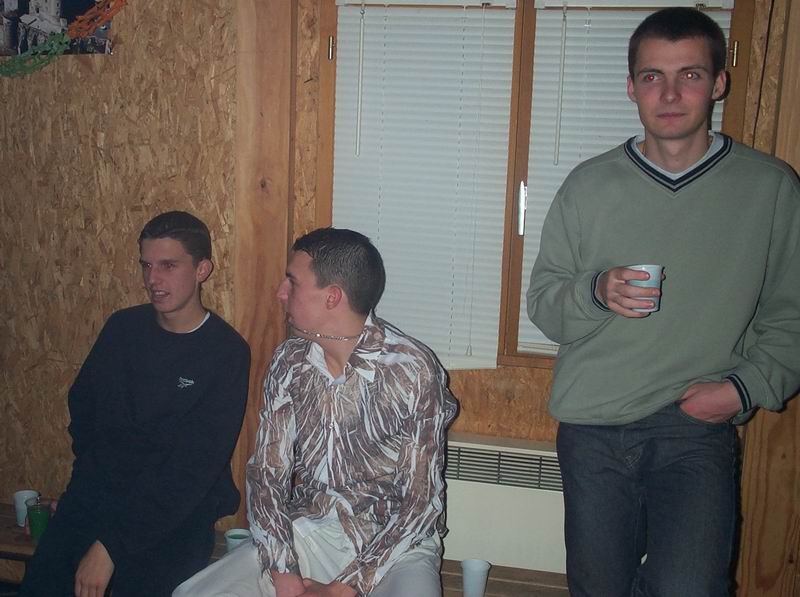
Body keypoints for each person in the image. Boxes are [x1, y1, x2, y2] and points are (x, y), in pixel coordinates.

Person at [526, 7, 800, 596]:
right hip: (593, 424)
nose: (670, 94)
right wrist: (596, 291)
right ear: (632, 87)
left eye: (689, 75)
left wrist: (743, 389)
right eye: (653, 76)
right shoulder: (588, 185)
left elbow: (791, 313)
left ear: (718, 83)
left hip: (693, 426)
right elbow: (545, 306)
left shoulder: (770, 187)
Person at [174, 227, 458, 597]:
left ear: (332, 297)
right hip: (311, 529)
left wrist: (342, 588)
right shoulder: (289, 360)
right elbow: (267, 475)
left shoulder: (412, 368)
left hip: (396, 546)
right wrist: (283, 571)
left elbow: (420, 502)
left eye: (292, 282)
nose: (280, 292)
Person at [20, 211, 251, 597]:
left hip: (175, 516)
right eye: (146, 265)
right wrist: (86, 490)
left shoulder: (225, 352)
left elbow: (191, 470)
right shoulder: (122, 328)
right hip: (100, 496)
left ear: (202, 270)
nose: (153, 279)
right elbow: (83, 409)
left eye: (168, 266)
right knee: (44, 582)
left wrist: (111, 545)